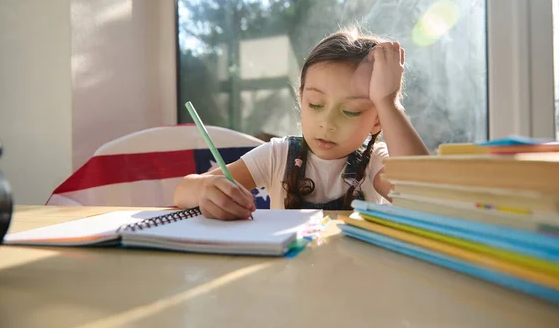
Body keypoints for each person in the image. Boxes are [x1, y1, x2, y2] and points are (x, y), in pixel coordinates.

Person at [174, 28, 429, 219]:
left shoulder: (374, 163)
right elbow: (183, 191)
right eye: (316, 104)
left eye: (351, 111)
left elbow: (422, 196)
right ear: (301, 100)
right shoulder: (278, 155)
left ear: (377, 121)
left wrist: (387, 103)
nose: (327, 124)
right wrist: (207, 189)